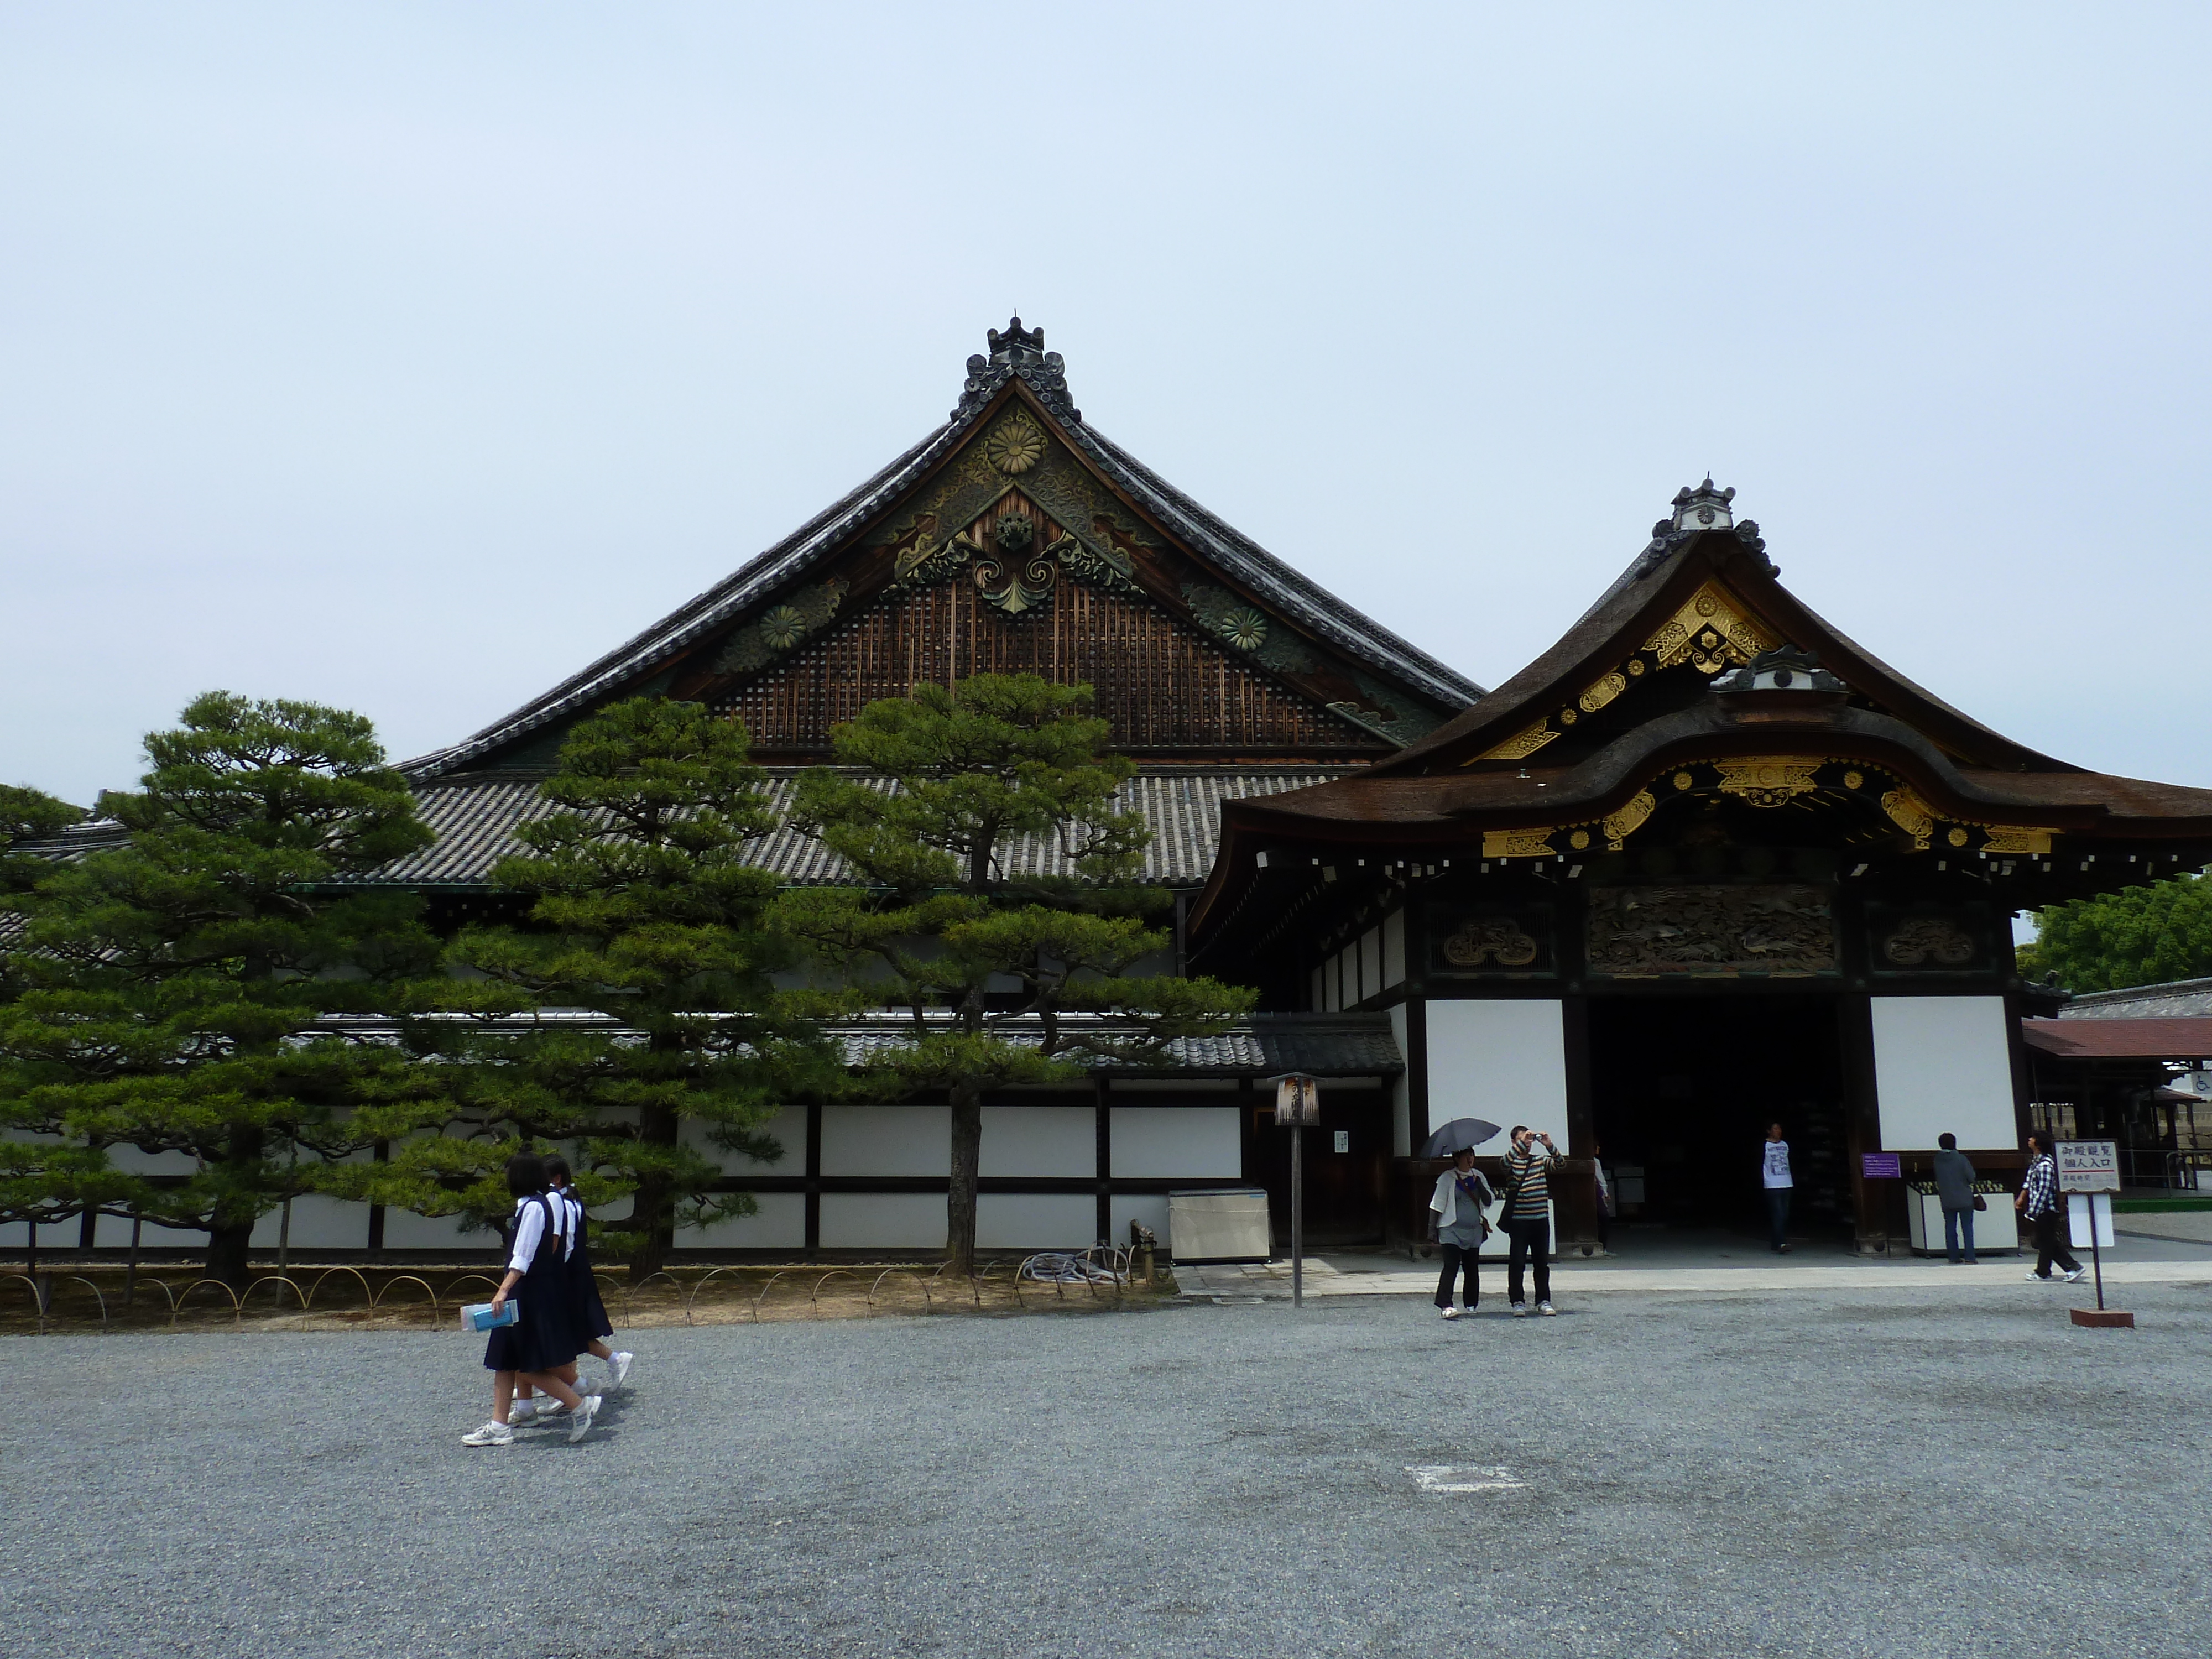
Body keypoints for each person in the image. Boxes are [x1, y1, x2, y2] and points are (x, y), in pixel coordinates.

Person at [462, 1152, 599, 1447]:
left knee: (526, 1364)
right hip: (532, 1290)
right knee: (506, 1360)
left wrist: (503, 1288)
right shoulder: (538, 1205)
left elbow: (522, 1256)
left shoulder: (535, 1208)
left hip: (528, 1292)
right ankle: (499, 1425)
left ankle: (579, 1404)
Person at [510, 1156, 632, 1425]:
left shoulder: (553, 1201)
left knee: (557, 1337)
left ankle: (583, 1386)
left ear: (555, 1179)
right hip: (565, 1273)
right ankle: (549, 1397)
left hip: (561, 1275)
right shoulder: (565, 1200)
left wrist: (550, 1273)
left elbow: (559, 1244)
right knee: (565, 1335)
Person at [1499, 1125, 1561, 1316]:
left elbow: (1560, 1164)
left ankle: (1543, 1300)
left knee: (1541, 1263)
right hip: (1519, 1221)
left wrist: (1549, 1145)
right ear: (1514, 1142)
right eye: (1522, 1139)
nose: (1527, 1143)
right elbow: (1503, 1164)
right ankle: (1517, 1301)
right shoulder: (1511, 1162)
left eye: (1529, 1139)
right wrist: (1520, 1145)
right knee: (1517, 1262)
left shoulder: (1540, 1161)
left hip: (1541, 1219)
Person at [1428, 1147, 1494, 1319]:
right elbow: (1437, 1204)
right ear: (1457, 1158)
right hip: (1451, 1229)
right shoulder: (1447, 1178)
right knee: (1451, 1267)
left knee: (1472, 1269)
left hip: (1474, 1230)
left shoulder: (1478, 1176)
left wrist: (1478, 1183)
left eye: (1472, 1155)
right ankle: (1446, 1305)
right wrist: (1432, 1230)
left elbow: (1488, 1201)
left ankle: (1471, 1303)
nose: (1470, 1159)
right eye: (1466, 1155)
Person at [2016, 1131, 2087, 1284]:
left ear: (2038, 1144)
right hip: (2043, 1209)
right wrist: (2022, 1197)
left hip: (2047, 1209)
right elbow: (2029, 1183)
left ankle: (2068, 1267)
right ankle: (2049, 1270)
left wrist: (2033, 1212)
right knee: (2046, 1241)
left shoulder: (2045, 1166)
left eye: (2032, 1138)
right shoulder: (2036, 1162)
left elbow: (2044, 1190)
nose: (2029, 1139)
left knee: (2046, 1241)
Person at [1932, 1132, 1980, 1265]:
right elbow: (1971, 1177)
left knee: (1950, 1228)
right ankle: (1970, 1257)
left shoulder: (1937, 1160)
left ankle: (1953, 1257)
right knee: (1967, 1228)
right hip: (1964, 1198)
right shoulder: (1961, 1159)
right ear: (1954, 1143)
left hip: (1947, 1199)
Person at [1761, 1123, 1793, 1254]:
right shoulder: (1765, 1146)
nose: (1778, 1131)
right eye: (1775, 1128)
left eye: (1780, 1128)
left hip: (1786, 1182)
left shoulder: (1785, 1145)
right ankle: (1781, 1242)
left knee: (1784, 1214)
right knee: (1778, 1214)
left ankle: (1775, 1242)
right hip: (1772, 1184)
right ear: (1769, 1131)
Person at [1592, 1140, 1615, 1255]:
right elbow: (1600, 1178)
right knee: (1604, 1219)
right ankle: (1602, 1246)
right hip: (1596, 1191)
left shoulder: (1595, 1161)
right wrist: (1605, 1192)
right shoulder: (1594, 1162)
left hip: (1596, 1191)